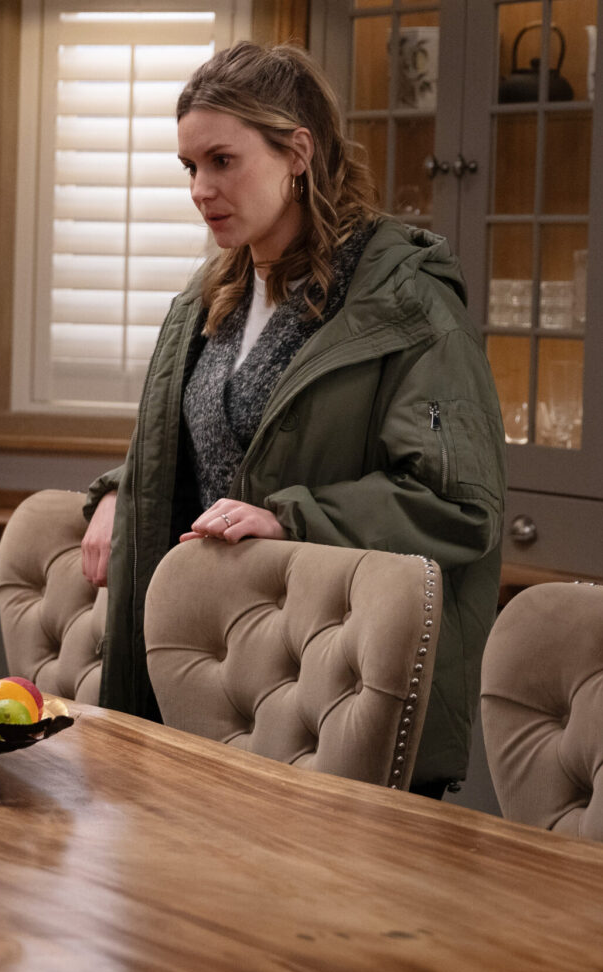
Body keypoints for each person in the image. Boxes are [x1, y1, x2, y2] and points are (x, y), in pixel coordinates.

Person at [78, 42, 505, 798]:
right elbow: (226, 445)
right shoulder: (212, 297)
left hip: (330, 700)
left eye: (222, 160)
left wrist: (289, 519)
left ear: (297, 152)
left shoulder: (409, 305)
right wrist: (121, 488)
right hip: (200, 694)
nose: (201, 189)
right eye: (190, 168)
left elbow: (459, 504)